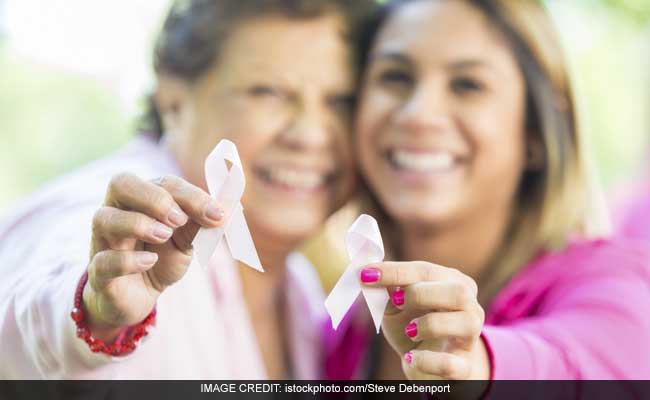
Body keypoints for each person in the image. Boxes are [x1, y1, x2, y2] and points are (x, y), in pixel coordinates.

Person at [0, 0, 373, 379]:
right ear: (174, 103)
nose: (310, 135)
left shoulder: (302, 291)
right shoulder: (123, 220)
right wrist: (94, 312)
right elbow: (35, 301)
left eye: (340, 102)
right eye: (267, 92)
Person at [327, 0, 650, 381]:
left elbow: (585, 368)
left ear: (536, 134)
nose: (418, 114)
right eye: (395, 77)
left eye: (468, 85)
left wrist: (475, 363)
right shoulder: (343, 327)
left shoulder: (610, 282)